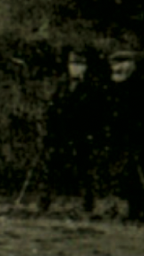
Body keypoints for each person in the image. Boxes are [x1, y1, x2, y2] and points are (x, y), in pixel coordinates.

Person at [35, 48, 103, 217]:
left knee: (84, 170)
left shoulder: (92, 87)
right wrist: (50, 127)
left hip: (81, 135)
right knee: (51, 168)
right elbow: (52, 108)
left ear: (85, 67)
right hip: (61, 134)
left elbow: (96, 114)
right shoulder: (62, 86)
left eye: (79, 64)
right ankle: (44, 202)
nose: (75, 68)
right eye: (72, 64)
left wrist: (91, 133)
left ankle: (88, 204)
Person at [102, 49, 144, 222]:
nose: (117, 68)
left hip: (138, 137)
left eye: (122, 63)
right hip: (119, 136)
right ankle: (132, 210)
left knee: (139, 174)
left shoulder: (140, 85)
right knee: (125, 175)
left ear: (131, 65)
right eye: (115, 64)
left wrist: (136, 130)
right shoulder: (112, 86)